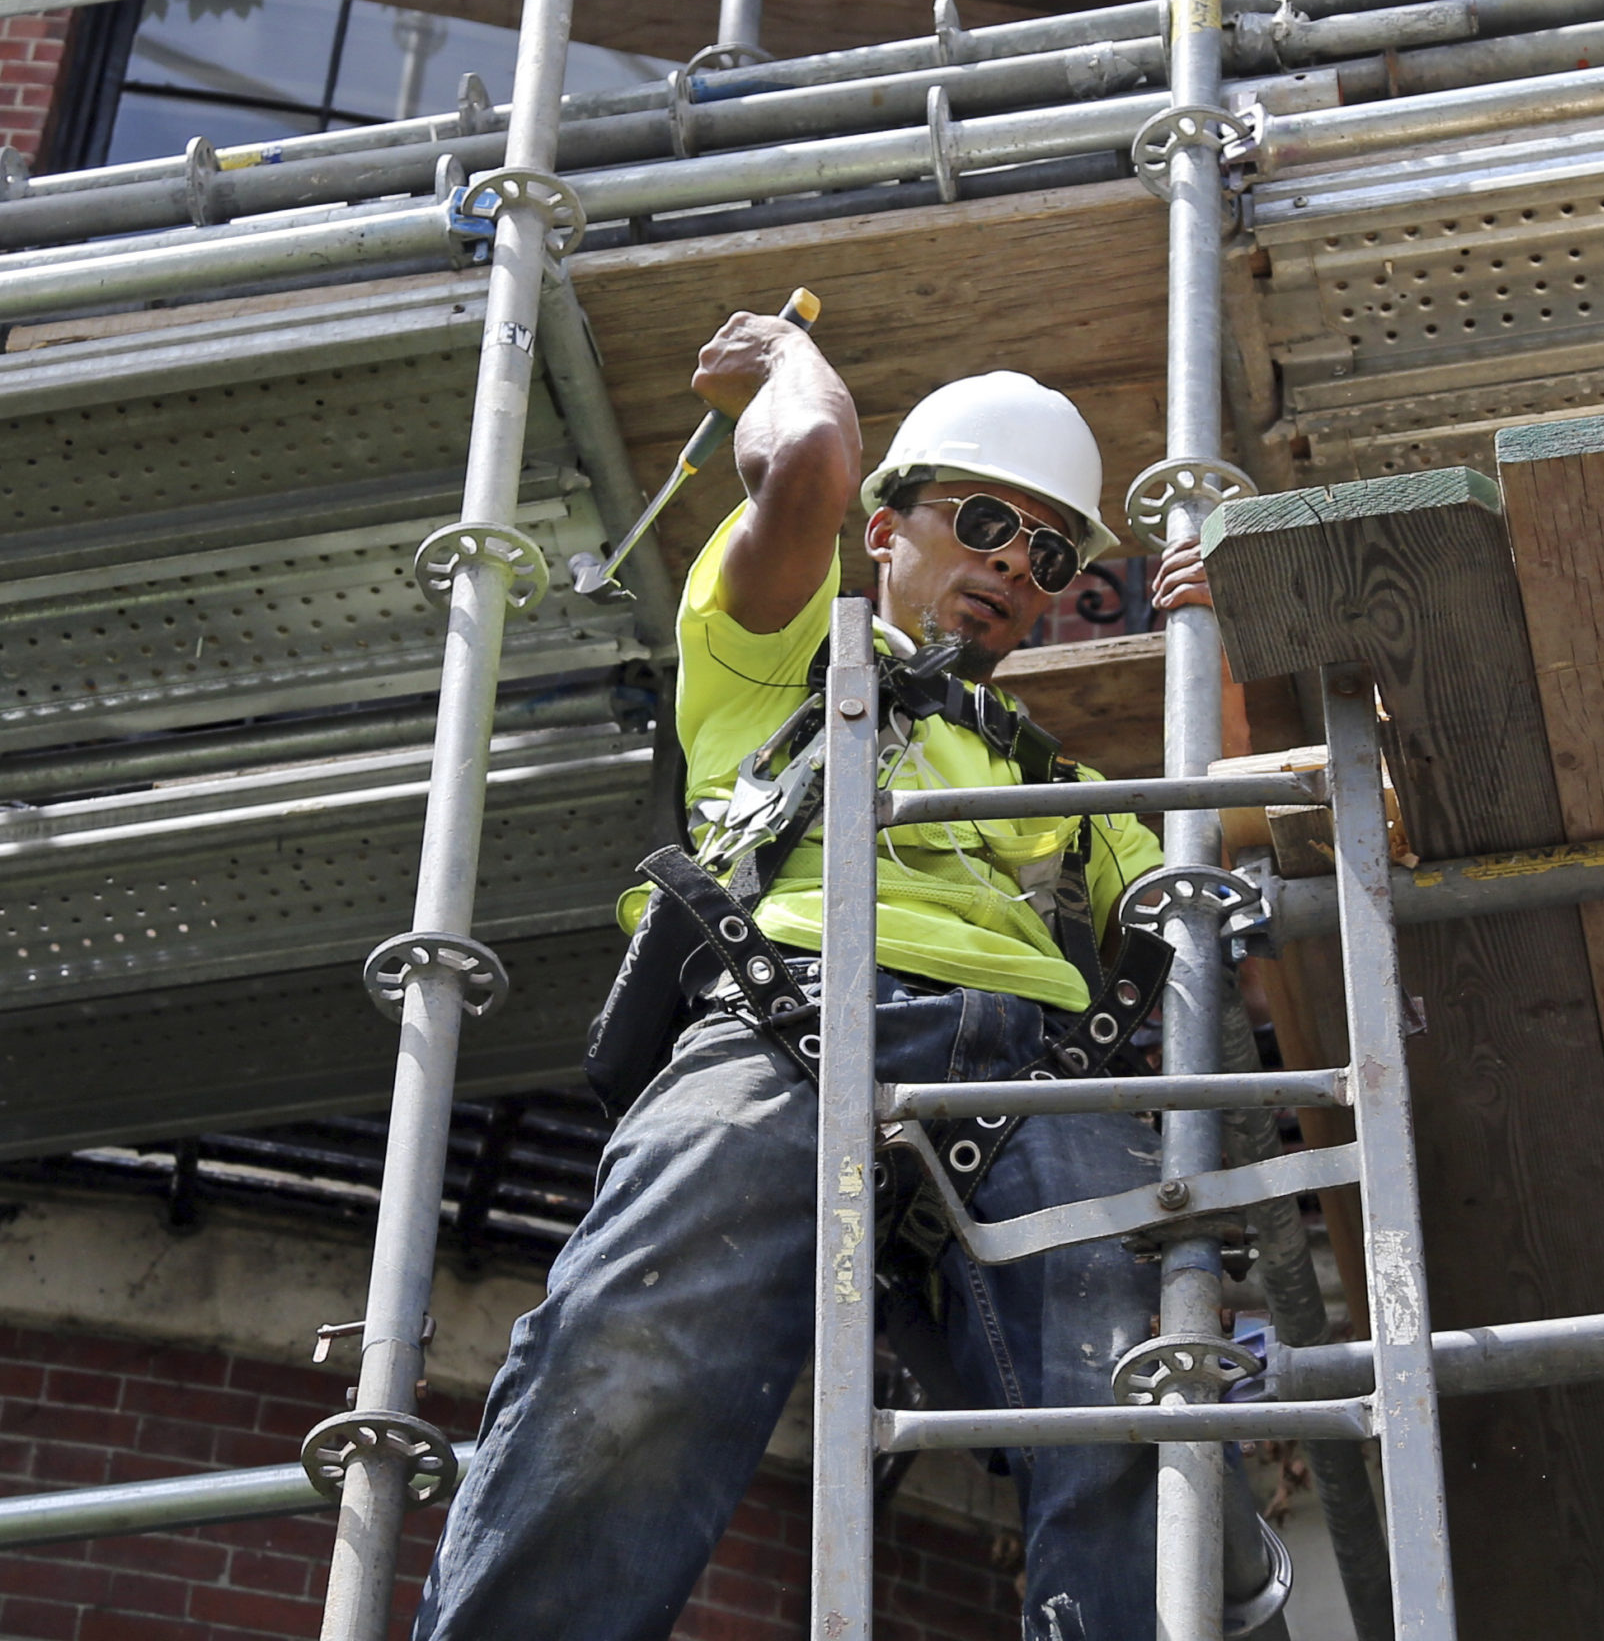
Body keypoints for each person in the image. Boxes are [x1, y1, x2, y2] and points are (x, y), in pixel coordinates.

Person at [412, 306, 1267, 1641]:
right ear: (888, 527)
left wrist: (1220, 653)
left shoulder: (1067, 788)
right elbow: (807, 459)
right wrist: (777, 363)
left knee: (1140, 1407)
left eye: (1046, 552)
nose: (1013, 566)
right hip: (786, 1023)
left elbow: (1233, 833)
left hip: (1034, 1084)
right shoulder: (779, 658)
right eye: (979, 522)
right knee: (633, 1362)